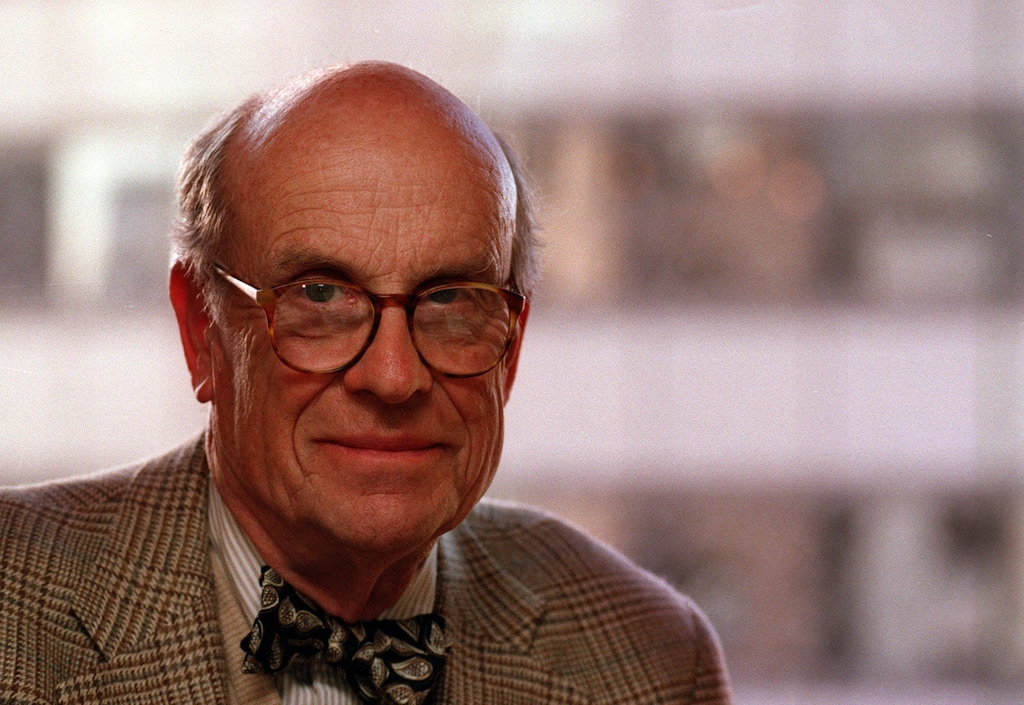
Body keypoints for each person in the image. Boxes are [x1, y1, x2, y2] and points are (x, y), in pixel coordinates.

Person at [0, 62, 731, 704]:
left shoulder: (649, 658)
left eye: (451, 300)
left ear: (510, 348)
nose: (393, 377)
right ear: (203, 332)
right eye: (320, 296)